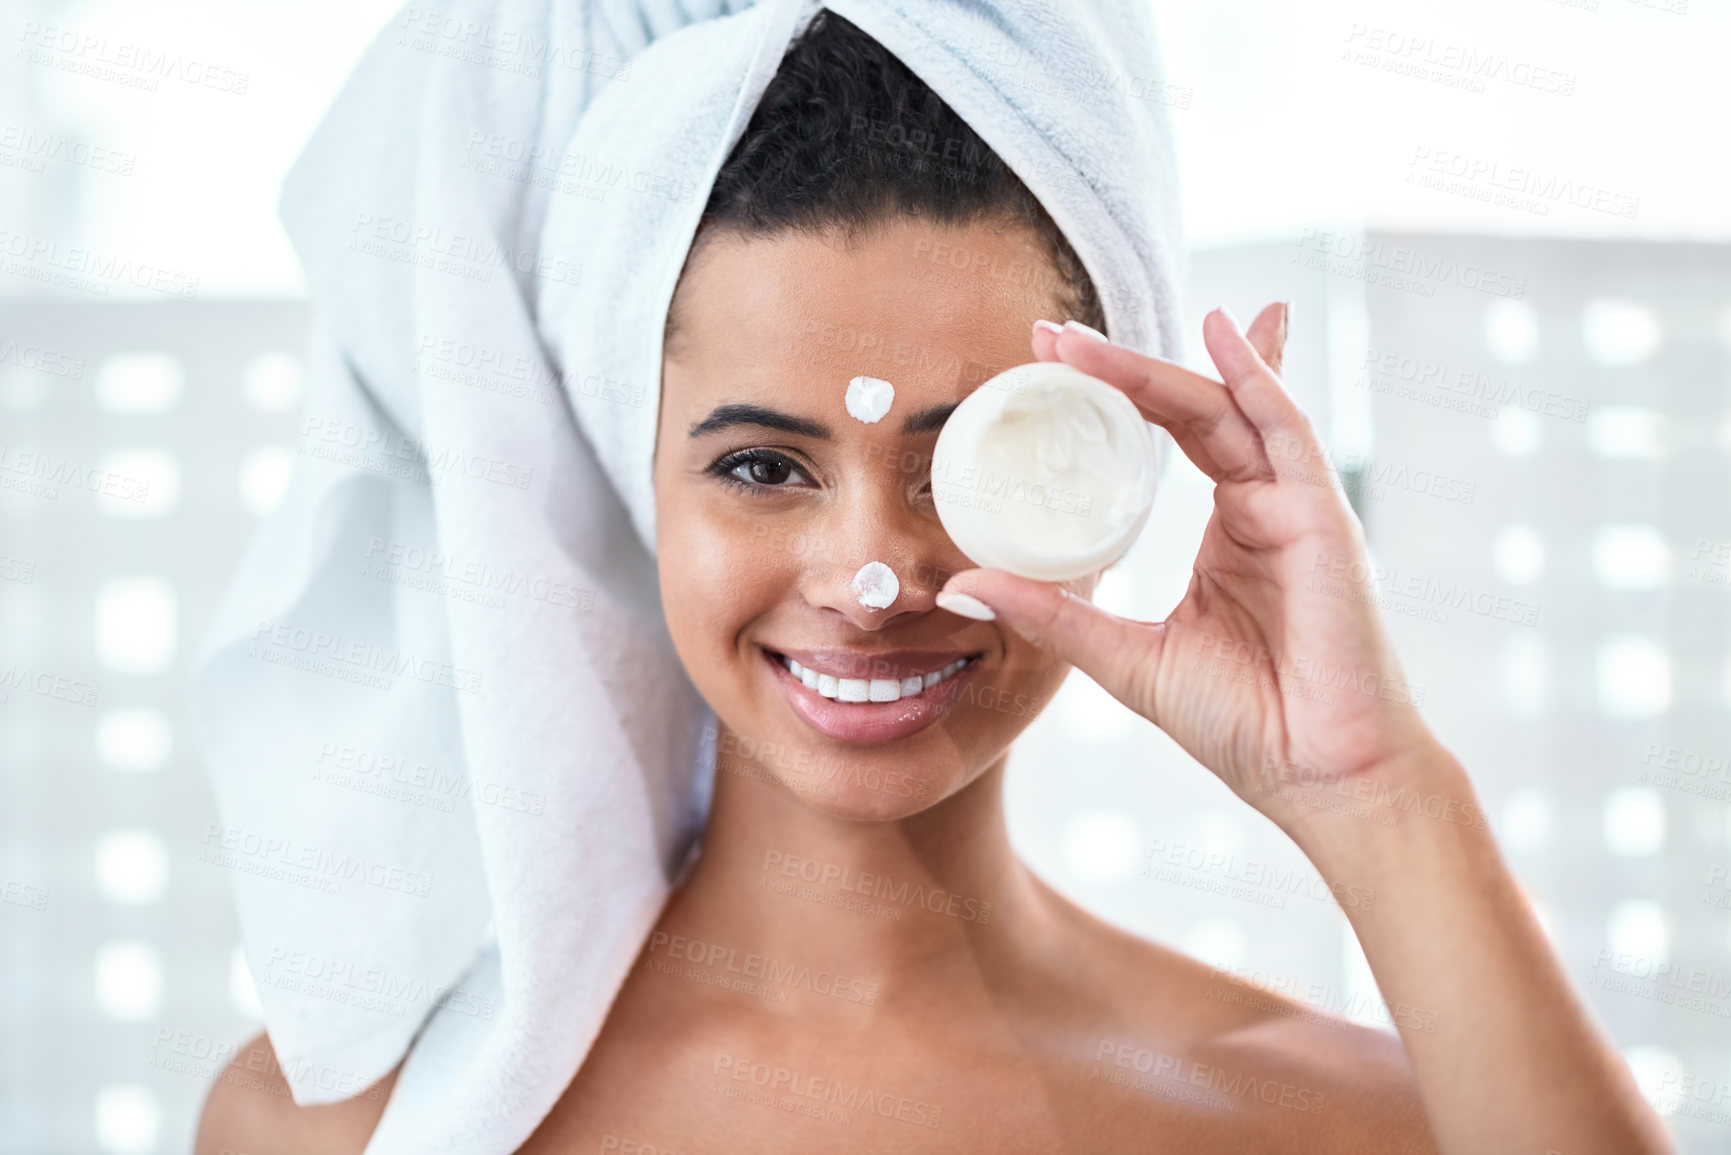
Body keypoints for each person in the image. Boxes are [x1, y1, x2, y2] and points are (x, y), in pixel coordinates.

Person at [196, 10, 1671, 1154]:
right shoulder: (349, 1130)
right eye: (764, 467)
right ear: (624, 473)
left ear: (1118, 461)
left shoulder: (1343, 1123)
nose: (876, 576)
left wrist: (1373, 791)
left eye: (967, 456)